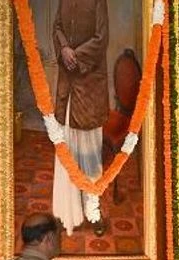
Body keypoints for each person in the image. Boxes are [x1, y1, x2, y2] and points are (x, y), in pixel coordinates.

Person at [52, 0, 109, 236]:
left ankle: (93, 212)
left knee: (90, 153)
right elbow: (56, 27)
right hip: (68, 85)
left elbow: (101, 38)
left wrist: (76, 56)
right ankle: (66, 214)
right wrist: (64, 48)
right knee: (67, 150)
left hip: (90, 86)